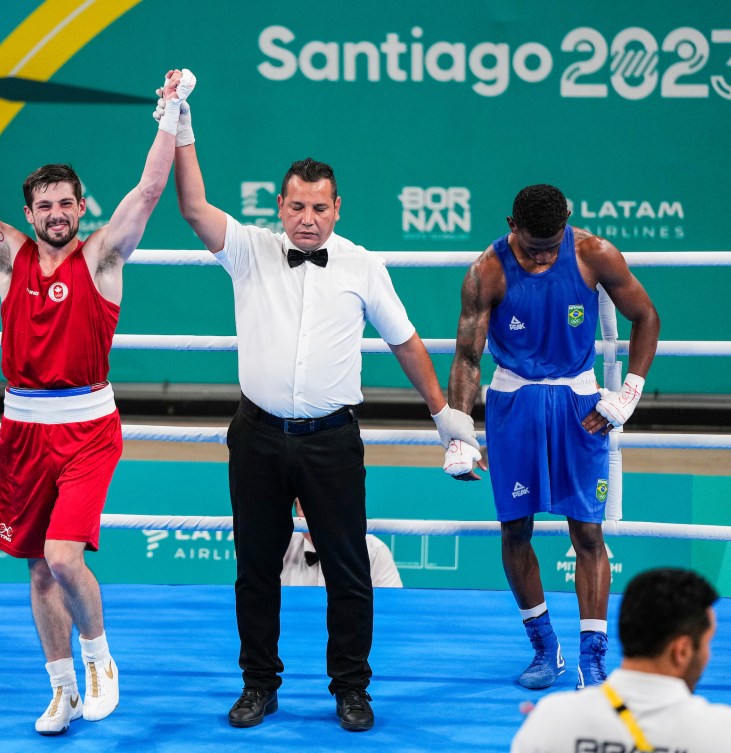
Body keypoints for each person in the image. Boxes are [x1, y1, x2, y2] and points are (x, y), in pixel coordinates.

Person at [165, 92, 478, 732]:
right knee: (255, 568)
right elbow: (193, 207)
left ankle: (351, 689)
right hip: (256, 434)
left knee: (348, 568)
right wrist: (184, 123)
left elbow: (404, 341)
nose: (307, 219)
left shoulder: (363, 263)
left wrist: (446, 416)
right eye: (297, 206)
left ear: (338, 209)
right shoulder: (249, 248)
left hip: (332, 439)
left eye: (319, 208)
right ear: (280, 206)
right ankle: (259, 685)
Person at [0, 67, 193, 735]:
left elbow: (151, 189)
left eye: (64, 203)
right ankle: (61, 688)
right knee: (41, 569)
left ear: (80, 207)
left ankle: (100, 657)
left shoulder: (103, 259)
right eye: (42, 205)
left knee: (66, 556)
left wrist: (172, 110)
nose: (54, 214)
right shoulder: (8, 258)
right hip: (21, 430)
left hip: (87, 430)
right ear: (28, 213)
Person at [446, 184, 660, 690]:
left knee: (587, 533)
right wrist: (458, 432)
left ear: (566, 224)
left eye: (551, 245)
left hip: (579, 406)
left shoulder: (594, 254)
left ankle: (593, 657)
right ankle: (545, 649)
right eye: (532, 247)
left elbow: (646, 316)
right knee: (514, 530)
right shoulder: (487, 271)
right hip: (513, 404)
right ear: (510, 225)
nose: (543, 257)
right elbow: (468, 357)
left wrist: (628, 392)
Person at [510, 567, 731, 753]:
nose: (709, 655)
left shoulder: (551, 720)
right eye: (707, 643)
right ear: (681, 651)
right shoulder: (728, 734)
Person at [281, 500, 403, 587]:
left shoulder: (374, 552)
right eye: (305, 507)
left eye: (322, 506)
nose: (315, 516)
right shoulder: (281, 548)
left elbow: (391, 610)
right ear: (296, 511)